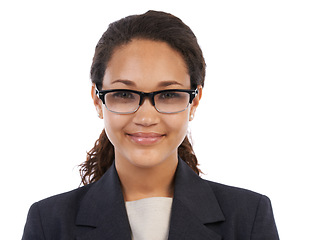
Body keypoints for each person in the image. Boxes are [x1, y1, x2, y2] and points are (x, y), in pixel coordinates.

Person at [22, 10, 279, 240]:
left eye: (168, 95)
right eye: (124, 94)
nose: (146, 118)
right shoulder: (49, 222)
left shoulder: (248, 217)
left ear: (195, 100)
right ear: (97, 100)